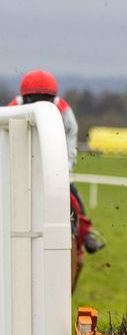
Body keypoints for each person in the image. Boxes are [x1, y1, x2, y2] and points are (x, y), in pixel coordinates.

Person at [8, 70, 105, 253]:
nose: (39, 104)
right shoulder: (12, 108)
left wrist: (62, 172)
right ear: (24, 98)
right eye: (34, 99)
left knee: (74, 199)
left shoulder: (65, 113)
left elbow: (69, 144)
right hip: (19, 163)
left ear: (53, 98)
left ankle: (85, 236)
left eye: (44, 99)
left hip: (53, 164)